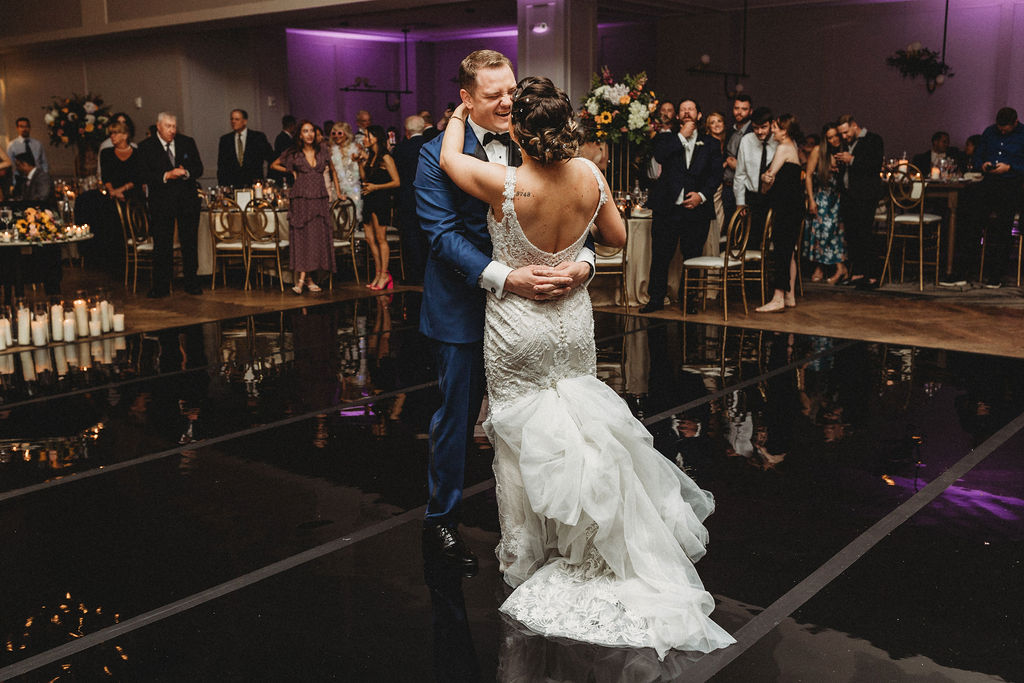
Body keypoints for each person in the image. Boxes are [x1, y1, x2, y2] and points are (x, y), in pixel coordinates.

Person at [439, 77, 735, 658]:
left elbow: (450, 158)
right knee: (582, 431)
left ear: (520, 130)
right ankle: (592, 540)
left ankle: (529, 551)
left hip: (518, 326)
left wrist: (460, 111)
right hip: (572, 328)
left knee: (523, 442)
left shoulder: (505, 183)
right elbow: (618, 239)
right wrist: (581, 267)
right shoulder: (591, 177)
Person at [415, 50, 595, 574]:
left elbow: (580, 210)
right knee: (457, 416)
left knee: (551, 417)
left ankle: (548, 521)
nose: (507, 102)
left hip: (537, 315)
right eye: (493, 95)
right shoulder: (434, 155)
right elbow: (442, 235)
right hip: (463, 307)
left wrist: (581, 265)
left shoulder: (537, 141)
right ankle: (441, 521)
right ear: (466, 99)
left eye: (511, 90)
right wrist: (505, 278)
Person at [641, 98, 724, 315]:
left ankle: (690, 300)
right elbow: (659, 157)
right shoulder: (665, 139)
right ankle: (656, 298)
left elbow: (716, 175)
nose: (687, 112)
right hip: (667, 208)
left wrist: (702, 196)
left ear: (699, 115)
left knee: (693, 256)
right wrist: (681, 137)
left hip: (696, 210)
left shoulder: (711, 143)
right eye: (683, 109)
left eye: (691, 109)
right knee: (660, 256)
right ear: (678, 117)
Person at [137, 112, 204, 297]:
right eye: (168, 126)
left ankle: (192, 282)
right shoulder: (146, 147)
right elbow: (142, 174)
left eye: (174, 126)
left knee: (189, 242)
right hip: (161, 202)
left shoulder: (187, 142)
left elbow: (199, 167)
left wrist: (186, 172)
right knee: (162, 244)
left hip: (187, 200)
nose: (172, 130)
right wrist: (167, 175)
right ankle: (161, 286)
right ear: (158, 126)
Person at [270, 120, 340, 294]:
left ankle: (305, 280)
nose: (309, 134)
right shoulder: (293, 153)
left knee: (316, 238)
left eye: (311, 131)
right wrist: (291, 171)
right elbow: (274, 164)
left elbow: (333, 170)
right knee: (303, 239)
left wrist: (339, 193)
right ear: (300, 135)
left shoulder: (323, 151)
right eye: (305, 131)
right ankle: (304, 280)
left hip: (319, 198)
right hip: (301, 198)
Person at [966, 107, 1024, 288]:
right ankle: (968, 268)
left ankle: (996, 274)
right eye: (1000, 128)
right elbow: (977, 155)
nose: (1002, 131)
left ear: (1015, 122)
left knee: (1002, 226)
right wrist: (982, 164)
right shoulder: (989, 132)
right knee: (971, 216)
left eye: (1005, 128)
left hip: (1012, 184)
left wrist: (1011, 167)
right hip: (989, 182)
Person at [756, 114, 804, 312]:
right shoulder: (794, 147)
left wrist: (763, 177)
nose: (772, 130)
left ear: (785, 131)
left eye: (775, 127)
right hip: (794, 206)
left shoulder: (783, 148)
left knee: (782, 251)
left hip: (786, 207)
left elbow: (769, 177)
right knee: (789, 251)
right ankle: (789, 295)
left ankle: (777, 298)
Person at [835, 114, 885, 289]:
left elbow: (874, 165)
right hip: (849, 196)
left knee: (865, 234)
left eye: (846, 132)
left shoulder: (873, 139)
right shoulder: (848, 143)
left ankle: (872, 275)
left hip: (865, 195)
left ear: (854, 125)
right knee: (852, 236)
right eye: (841, 133)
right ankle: (857, 273)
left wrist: (852, 160)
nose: (844, 136)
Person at [358, 124, 401, 290]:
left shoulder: (385, 157)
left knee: (381, 238)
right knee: (370, 239)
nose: (363, 139)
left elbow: (397, 181)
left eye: (366, 136)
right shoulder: (371, 156)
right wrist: (361, 163)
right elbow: (364, 178)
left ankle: (384, 274)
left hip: (380, 200)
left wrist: (376, 187)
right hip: (369, 200)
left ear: (375, 138)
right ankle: (378, 273)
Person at [803, 122, 847, 284]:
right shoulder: (818, 151)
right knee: (821, 232)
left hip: (838, 198)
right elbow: (808, 175)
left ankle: (832, 268)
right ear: (825, 139)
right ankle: (829, 268)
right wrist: (811, 200)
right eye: (830, 138)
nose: (834, 140)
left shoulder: (844, 151)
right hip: (821, 197)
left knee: (834, 233)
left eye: (836, 136)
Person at [392, 115, 429, 283]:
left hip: (407, 198)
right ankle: (429, 273)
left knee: (410, 238)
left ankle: (414, 275)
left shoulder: (400, 149)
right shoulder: (431, 146)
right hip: (429, 198)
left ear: (407, 131)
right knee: (428, 236)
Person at [733, 106, 776, 250]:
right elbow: (740, 175)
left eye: (764, 127)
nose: (759, 132)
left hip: (773, 198)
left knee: (773, 242)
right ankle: (751, 273)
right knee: (750, 241)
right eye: (756, 128)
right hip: (752, 198)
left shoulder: (779, 142)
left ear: (772, 124)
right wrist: (740, 203)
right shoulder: (746, 140)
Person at [216, 109, 272, 188]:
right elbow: (221, 166)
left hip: (254, 185)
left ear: (245, 121)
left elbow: (270, 157)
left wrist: (267, 180)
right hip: (233, 185)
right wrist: (223, 186)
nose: (233, 122)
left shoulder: (258, 137)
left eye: (237, 119)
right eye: (232, 119)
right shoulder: (225, 140)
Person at [723, 93, 753, 223]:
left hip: (744, 189)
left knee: (742, 228)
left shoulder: (754, 132)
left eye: (744, 109)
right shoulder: (730, 131)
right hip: (727, 187)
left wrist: (739, 166)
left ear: (750, 111)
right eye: (736, 108)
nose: (739, 112)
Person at [703, 111, 728, 257]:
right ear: (708, 127)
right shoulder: (707, 142)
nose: (716, 124)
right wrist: (724, 165)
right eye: (712, 122)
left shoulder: (728, 141)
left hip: (727, 188)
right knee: (716, 222)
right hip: (714, 187)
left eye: (719, 121)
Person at [328, 122, 363, 220]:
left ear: (346, 134)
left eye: (340, 133)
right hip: (337, 188)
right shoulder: (331, 151)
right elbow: (333, 172)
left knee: (354, 218)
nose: (336, 136)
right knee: (339, 220)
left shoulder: (356, 148)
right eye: (333, 133)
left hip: (354, 188)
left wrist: (359, 159)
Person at [6, 117, 49, 196]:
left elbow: (44, 162)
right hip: (20, 179)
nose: (24, 129)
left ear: (30, 128)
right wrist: (13, 182)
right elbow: (10, 165)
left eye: (26, 126)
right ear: (17, 128)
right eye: (21, 126)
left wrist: (44, 176)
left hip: (38, 177)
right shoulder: (12, 145)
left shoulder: (37, 144)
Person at [97, 112, 136, 183]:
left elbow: (138, 176)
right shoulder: (106, 147)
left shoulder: (134, 148)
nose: (121, 125)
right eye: (118, 122)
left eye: (124, 122)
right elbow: (102, 173)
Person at [269, 115, 297, 185]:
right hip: (283, 171)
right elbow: (285, 156)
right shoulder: (283, 138)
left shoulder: (283, 137)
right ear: (291, 125)